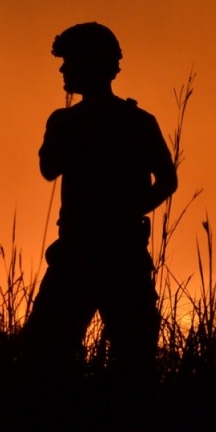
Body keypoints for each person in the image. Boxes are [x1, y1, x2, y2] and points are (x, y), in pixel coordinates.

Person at [24, 23, 176, 380]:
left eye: (69, 62)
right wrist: (130, 210)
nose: (63, 70)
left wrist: (124, 213)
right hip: (113, 254)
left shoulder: (71, 122)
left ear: (89, 65)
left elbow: (48, 168)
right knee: (130, 359)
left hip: (88, 255)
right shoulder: (136, 121)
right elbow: (167, 181)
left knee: (49, 354)